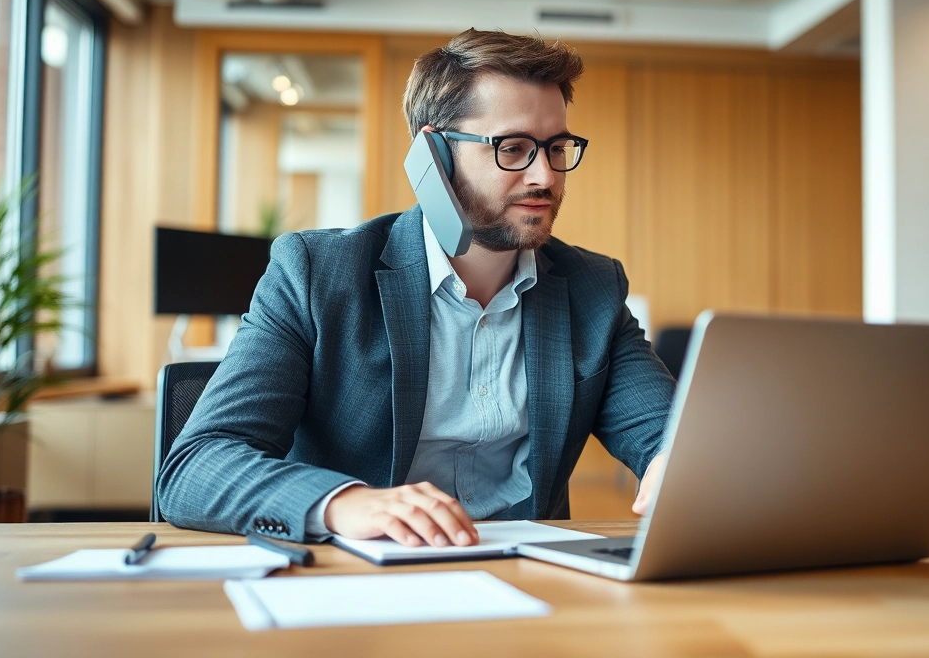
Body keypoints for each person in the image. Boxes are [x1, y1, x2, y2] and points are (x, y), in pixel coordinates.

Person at [157, 29, 675, 546]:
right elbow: (197, 465)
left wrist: (673, 462)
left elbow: (667, 435)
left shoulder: (593, 288)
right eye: (513, 148)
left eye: (556, 147)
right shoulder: (318, 274)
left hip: (533, 573)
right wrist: (344, 503)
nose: (545, 176)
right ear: (434, 154)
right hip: (363, 572)